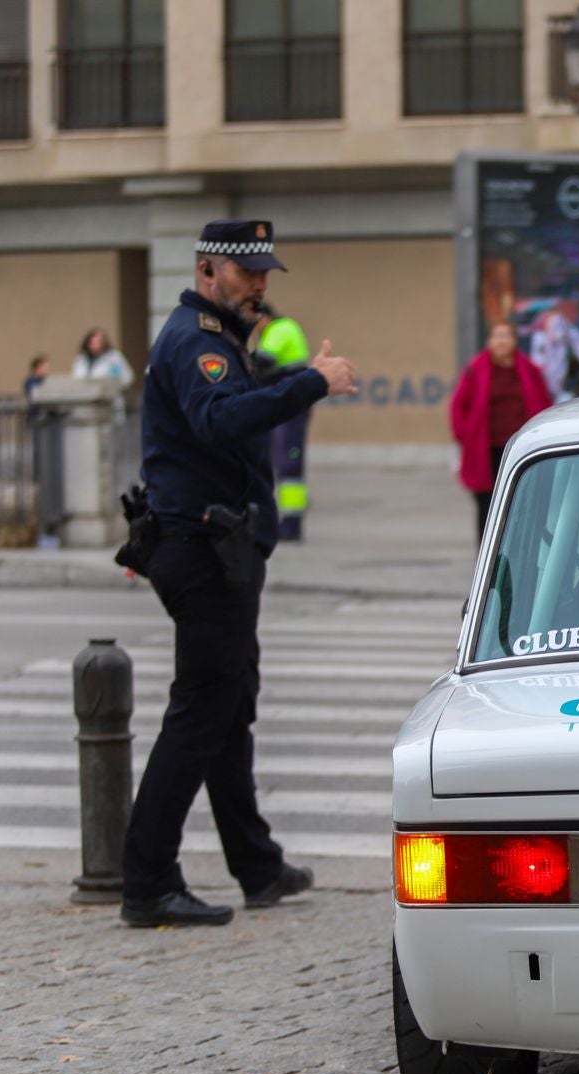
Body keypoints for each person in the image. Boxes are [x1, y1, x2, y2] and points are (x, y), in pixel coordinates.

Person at [120, 218, 358, 927]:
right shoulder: (197, 342)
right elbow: (220, 419)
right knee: (202, 711)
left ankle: (256, 866)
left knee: (229, 708)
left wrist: (291, 377)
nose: (259, 285)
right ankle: (147, 881)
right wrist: (312, 383)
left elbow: (237, 397)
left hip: (217, 546)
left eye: (264, 274)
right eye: (246, 272)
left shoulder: (220, 340)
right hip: (199, 549)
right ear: (207, 273)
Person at [451, 321, 555, 535]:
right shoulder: (475, 369)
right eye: (497, 336)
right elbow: (458, 407)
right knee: (487, 508)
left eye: (506, 336)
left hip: (521, 448)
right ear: (489, 341)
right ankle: (486, 560)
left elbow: (544, 403)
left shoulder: (529, 369)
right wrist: (466, 435)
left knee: (520, 503)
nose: (501, 341)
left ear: (515, 341)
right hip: (485, 449)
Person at [255, 302, 313, 541]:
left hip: (291, 409)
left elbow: (263, 361)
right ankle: (287, 520)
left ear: (265, 316)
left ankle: (291, 523)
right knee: (283, 461)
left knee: (288, 462)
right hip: (288, 407)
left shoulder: (281, 328)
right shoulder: (278, 330)